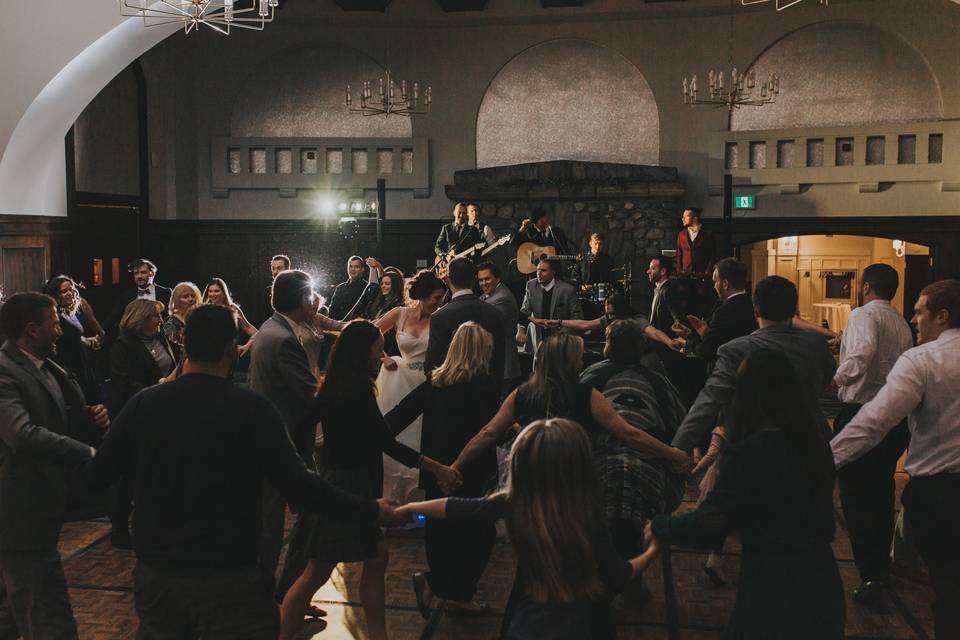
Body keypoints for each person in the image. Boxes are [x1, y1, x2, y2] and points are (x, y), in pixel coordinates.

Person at [75, 304, 404, 639]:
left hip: (159, 573)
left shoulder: (144, 405)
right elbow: (301, 484)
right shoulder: (252, 409)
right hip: (228, 574)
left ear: (184, 341)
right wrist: (369, 509)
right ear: (233, 348)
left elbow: (96, 475)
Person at [399, 419, 662, 640]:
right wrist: (652, 548)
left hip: (525, 625)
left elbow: (459, 507)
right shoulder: (587, 515)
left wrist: (410, 509)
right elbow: (618, 574)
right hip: (581, 627)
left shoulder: (516, 503)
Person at [278, 321, 459, 640]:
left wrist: (310, 464)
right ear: (362, 351)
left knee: (372, 560)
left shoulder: (335, 384)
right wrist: (438, 468)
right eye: (378, 348)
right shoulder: (356, 389)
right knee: (317, 572)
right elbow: (386, 442)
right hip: (349, 487)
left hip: (343, 483)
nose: (381, 355)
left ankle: (377, 635)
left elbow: (302, 426)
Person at [648, 349, 845, 640]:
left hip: (771, 587)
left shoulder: (751, 452)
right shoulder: (815, 446)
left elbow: (708, 526)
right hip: (823, 582)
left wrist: (659, 525)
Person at [831, 279, 960, 639]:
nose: (914, 318)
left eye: (920, 311)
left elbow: (874, 421)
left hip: (940, 496)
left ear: (942, 316)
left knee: (949, 594)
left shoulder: (923, 359)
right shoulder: (911, 341)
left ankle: (877, 572)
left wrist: (824, 461)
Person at [0, 292, 109, 640]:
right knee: (44, 611)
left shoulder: (48, 365)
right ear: (32, 330)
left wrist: (90, 417)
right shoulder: (4, 372)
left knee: (21, 604)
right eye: (55, 324)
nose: (61, 331)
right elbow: (22, 434)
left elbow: (60, 414)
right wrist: (87, 453)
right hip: (18, 506)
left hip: (45, 503)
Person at [450, 334, 690, 477]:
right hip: (573, 476)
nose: (582, 360)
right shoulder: (586, 395)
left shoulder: (522, 393)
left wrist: (454, 467)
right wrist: (672, 454)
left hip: (530, 474)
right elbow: (627, 433)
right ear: (567, 362)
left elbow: (488, 432)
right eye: (578, 356)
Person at [385, 323, 501, 617]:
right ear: (479, 352)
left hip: (437, 471)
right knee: (481, 534)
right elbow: (490, 432)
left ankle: (444, 588)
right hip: (469, 472)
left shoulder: (433, 383)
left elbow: (395, 419)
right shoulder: (483, 386)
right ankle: (451, 590)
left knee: (441, 533)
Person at [672, 275, 837, 454]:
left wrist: (679, 447)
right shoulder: (816, 344)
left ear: (756, 310)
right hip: (812, 445)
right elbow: (827, 383)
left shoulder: (735, 350)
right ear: (793, 311)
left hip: (758, 449)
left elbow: (709, 400)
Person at [830, 263, 915, 608]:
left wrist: (834, 379)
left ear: (865, 287)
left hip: (862, 412)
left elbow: (863, 355)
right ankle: (880, 569)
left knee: (854, 498)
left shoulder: (863, 314)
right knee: (880, 494)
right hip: (894, 417)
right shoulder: (901, 322)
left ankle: (870, 575)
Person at [578, 320, 687, 571]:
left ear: (609, 346)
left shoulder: (590, 376)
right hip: (649, 477)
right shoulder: (658, 381)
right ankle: (630, 574)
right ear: (640, 346)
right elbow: (678, 425)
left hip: (595, 473)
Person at [248, 269, 322, 577]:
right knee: (279, 522)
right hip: (285, 442)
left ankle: (277, 587)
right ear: (303, 299)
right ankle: (279, 588)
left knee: (276, 519)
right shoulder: (284, 340)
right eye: (311, 296)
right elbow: (311, 394)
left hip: (274, 438)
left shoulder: (270, 326)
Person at [373, 270, 446, 503]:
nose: (439, 302)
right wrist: (384, 357)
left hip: (425, 380)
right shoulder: (399, 314)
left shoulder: (439, 319)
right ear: (424, 295)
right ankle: (392, 498)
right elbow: (369, 333)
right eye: (436, 297)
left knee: (421, 433)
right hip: (397, 378)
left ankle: (416, 496)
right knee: (396, 431)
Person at [108, 298, 176, 547]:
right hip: (134, 414)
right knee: (128, 473)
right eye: (155, 316)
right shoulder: (123, 345)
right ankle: (119, 528)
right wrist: (158, 388)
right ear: (140, 319)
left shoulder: (161, 339)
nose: (160, 320)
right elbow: (122, 383)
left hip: (160, 412)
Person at [425, 258, 505, 380]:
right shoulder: (494, 313)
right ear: (474, 280)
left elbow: (431, 365)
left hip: (451, 390)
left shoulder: (440, 317)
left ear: (447, 280)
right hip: (486, 392)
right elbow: (499, 361)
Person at [671, 257, 758, 371]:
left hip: (725, 371)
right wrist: (704, 332)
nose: (714, 286)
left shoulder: (724, 311)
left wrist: (689, 339)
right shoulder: (752, 304)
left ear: (725, 284)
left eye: (716, 281)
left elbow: (706, 350)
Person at [550, 293, 683, 354]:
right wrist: (560, 322)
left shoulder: (635, 320)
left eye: (612, 313)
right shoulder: (609, 318)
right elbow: (585, 324)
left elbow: (653, 332)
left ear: (621, 310)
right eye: (607, 313)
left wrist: (669, 342)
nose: (610, 317)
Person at [43, 275, 104, 403]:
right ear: (54, 295)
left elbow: (75, 336)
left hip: (82, 359)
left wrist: (88, 340)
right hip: (69, 363)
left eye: (71, 289)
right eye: (64, 291)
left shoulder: (69, 311)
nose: (70, 293)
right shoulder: (55, 316)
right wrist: (85, 341)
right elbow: (65, 339)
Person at [517, 258, 582, 353]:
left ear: (553, 273)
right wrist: (521, 330)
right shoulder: (531, 286)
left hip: (560, 341)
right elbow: (525, 310)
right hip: (538, 339)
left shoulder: (568, 290)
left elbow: (577, 318)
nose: (539, 273)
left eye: (543, 270)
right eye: (538, 270)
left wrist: (560, 335)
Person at [477, 262, 522, 396]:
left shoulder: (501, 297)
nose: (483, 283)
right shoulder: (487, 295)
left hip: (504, 364)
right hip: (495, 362)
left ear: (497, 278)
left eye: (487, 279)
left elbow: (483, 324)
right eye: (480, 280)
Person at [106, 258, 172, 345]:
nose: (139, 276)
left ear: (152, 273)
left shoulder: (166, 293)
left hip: (161, 340)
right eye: (136, 273)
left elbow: (171, 317)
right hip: (135, 342)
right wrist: (100, 333)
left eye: (143, 272)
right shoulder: (126, 296)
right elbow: (113, 317)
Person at [203, 277, 257, 358]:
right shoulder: (204, 310)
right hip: (208, 355)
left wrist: (247, 345)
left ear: (224, 293)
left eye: (216, 291)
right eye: (210, 291)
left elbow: (252, 330)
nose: (212, 294)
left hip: (228, 357)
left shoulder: (233, 309)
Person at [328, 255, 380, 322]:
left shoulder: (368, 288)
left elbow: (369, 312)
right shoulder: (340, 288)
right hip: (337, 327)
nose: (353, 269)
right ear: (347, 268)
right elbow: (332, 311)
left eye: (356, 267)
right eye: (351, 266)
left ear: (362, 269)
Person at [161, 281, 202, 365]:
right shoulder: (170, 323)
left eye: (193, 296)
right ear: (177, 300)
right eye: (186, 296)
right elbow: (176, 350)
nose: (190, 299)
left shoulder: (199, 318)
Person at [675, 207, 715, 276]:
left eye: (686, 216)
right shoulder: (681, 234)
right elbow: (679, 254)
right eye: (682, 217)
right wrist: (679, 272)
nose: (683, 219)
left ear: (695, 218)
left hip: (702, 275)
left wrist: (707, 272)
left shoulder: (708, 234)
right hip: (685, 275)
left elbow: (713, 254)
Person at [263, 254, 291, 322]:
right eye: (273, 268)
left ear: (288, 269)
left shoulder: (297, 289)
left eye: (279, 268)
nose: (275, 272)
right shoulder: (267, 291)